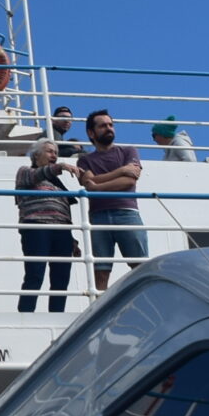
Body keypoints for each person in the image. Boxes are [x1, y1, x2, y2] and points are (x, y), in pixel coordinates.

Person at [76, 108, 147, 291]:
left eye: (110, 125)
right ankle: (99, 310)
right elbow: (86, 181)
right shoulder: (84, 161)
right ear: (91, 133)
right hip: (98, 217)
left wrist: (97, 187)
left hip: (127, 214)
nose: (109, 128)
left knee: (139, 267)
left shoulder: (128, 151)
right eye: (103, 126)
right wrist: (121, 171)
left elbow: (129, 180)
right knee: (101, 270)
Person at [14, 140, 77, 313]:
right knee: (35, 274)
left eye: (56, 152)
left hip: (62, 232)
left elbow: (64, 211)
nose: (54, 155)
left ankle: (56, 314)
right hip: (36, 228)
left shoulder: (58, 183)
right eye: (49, 151)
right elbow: (34, 177)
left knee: (61, 278)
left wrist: (72, 240)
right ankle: (25, 315)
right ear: (36, 155)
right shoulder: (25, 172)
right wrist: (61, 166)